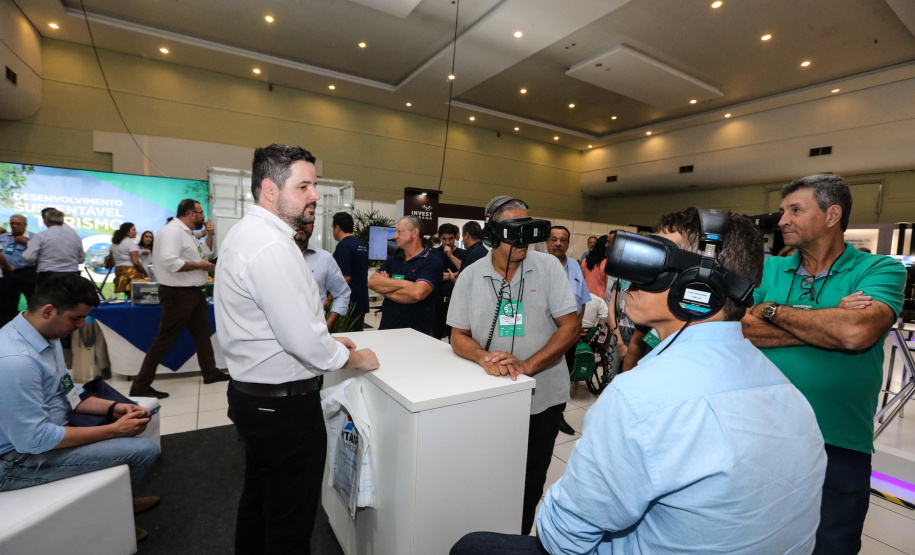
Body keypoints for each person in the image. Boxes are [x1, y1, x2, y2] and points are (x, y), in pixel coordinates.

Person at [452, 208, 828, 555]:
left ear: (700, 285)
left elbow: (560, 536)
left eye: (655, 261)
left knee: (471, 546)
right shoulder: (788, 392)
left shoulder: (639, 401)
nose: (632, 272)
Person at [215, 144, 379, 554]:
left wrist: (323, 340)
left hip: (257, 398)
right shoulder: (271, 246)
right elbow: (301, 339)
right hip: (282, 411)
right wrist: (352, 357)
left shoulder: (249, 234)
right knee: (290, 520)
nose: (315, 195)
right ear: (270, 190)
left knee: (260, 500)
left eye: (315, 185)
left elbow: (286, 325)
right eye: (304, 186)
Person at [742, 173, 906, 555]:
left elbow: (855, 334)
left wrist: (770, 311)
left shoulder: (879, 269)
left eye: (795, 210)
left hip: (840, 440)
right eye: (783, 211)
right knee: (758, 538)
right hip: (762, 433)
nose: (782, 220)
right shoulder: (769, 269)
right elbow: (743, 330)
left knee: (833, 543)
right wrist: (831, 316)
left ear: (833, 214)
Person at [447, 196, 579, 535]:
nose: (524, 240)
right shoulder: (471, 275)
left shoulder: (549, 267)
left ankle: (517, 538)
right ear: (492, 233)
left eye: (528, 229)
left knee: (530, 481)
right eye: (514, 231)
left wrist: (528, 365)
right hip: (489, 400)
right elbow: (458, 335)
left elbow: (570, 326)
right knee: (488, 477)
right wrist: (484, 357)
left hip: (543, 399)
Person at [0, 274, 161, 542]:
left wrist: (115, 409)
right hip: (14, 462)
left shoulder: (44, 336)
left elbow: (70, 395)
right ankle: (107, 515)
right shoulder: (15, 361)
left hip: (46, 434)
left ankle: (115, 498)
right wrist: (113, 431)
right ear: (48, 310)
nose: (82, 324)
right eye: (76, 318)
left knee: (132, 421)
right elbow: (35, 440)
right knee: (143, 451)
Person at [129, 199, 228, 399]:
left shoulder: (187, 233)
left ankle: (210, 372)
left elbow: (205, 253)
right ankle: (140, 385)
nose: (203, 216)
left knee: (202, 333)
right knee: (164, 339)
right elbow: (170, 262)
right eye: (200, 212)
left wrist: (210, 235)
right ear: (191, 214)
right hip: (178, 294)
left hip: (192, 292)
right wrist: (201, 267)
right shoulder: (172, 232)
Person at [546, 225, 590, 436]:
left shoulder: (575, 265)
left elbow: (582, 297)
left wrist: (578, 324)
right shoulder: (537, 265)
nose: (558, 244)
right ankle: (541, 414)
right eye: (554, 239)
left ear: (568, 243)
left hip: (570, 333)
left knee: (564, 375)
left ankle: (558, 416)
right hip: (546, 333)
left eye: (563, 240)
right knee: (544, 373)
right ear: (547, 242)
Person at [369, 215, 443, 335]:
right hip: (386, 330)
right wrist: (407, 285)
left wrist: (385, 289)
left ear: (414, 232)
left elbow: (417, 294)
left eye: (399, 231)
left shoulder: (432, 261)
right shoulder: (393, 259)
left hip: (417, 333)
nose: (394, 236)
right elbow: (372, 282)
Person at [294, 222, 351, 328]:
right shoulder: (274, 256)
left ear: (313, 227)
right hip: (278, 334)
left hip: (316, 332)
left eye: (307, 222)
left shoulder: (325, 259)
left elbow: (342, 293)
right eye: (298, 220)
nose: (302, 225)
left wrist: (327, 325)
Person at [22, 208, 84, 285]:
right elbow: (81, 259)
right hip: (72, 276)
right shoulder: (75, 237)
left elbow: (28, 258)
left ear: (46, 220)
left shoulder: (41, 236)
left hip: (48, 276)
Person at [331, 211, 370, 330]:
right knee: (357, 335)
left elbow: (345, 277)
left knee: (346, 336)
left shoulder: (343, 246)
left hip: (349, 303)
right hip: (361, 300)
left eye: (332, 228)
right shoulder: (361, 245)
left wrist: (329, 298)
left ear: (337, 228)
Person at [0, 214, 36, 327]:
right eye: (12, 223)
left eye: (18, 224)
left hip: (27, 272)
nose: (14, 226)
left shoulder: (33, 237)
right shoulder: (3, 237)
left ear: (25, 225)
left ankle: (33, 326)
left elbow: (41, 252)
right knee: (7, 303)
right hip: (7, 273)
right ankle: (7, 328)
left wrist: (26, 243)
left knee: (33, 301)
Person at [431, 223, 464, 340]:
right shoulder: (433, 254)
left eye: (450, 239)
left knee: (455, 338)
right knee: (435, 336)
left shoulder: (462, 253)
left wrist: (450, 256)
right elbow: (431, 274)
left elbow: (465, 270)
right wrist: (455, 274)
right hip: (437, 301)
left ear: (455, 237)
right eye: (444, 239)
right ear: (440, 238)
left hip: (456, 301)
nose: (447, 242)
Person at [110, 222, 149, 295]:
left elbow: (111, 261)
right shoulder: (130, 243)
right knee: (137, 296)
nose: (135, 232)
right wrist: (145, 273)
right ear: (126, 231)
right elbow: (136, 262)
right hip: (131, 273)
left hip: (119, 271)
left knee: (128, 295)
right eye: (133, 230)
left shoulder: (114, 244)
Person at [580, 234, 609, 299]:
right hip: (601, 299)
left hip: (586, 297)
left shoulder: (585, 260)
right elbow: (609, 285)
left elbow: (581, 280)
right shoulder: (607, 262)